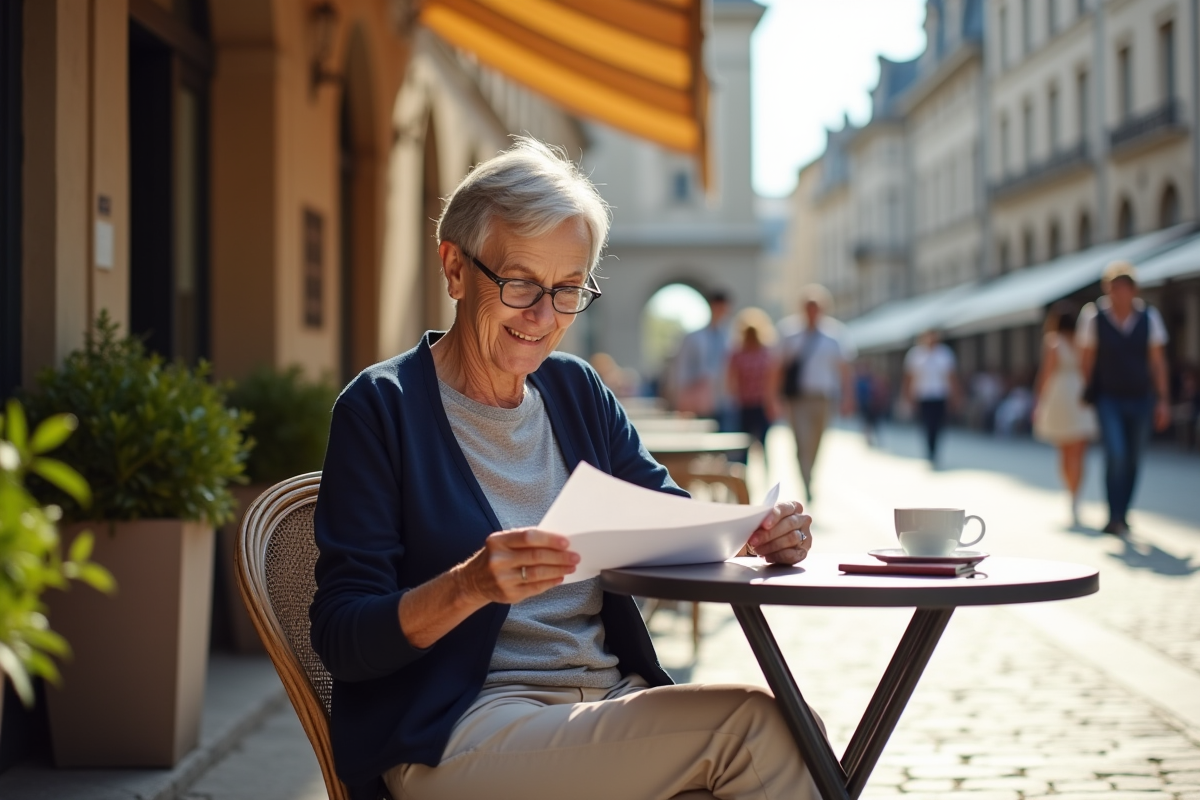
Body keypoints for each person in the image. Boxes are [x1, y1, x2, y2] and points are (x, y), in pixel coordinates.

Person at [309, 138, 817, 800]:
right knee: (754, 728)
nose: (543, 318)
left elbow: (671, 520)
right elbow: (342, 637)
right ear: (455, 270)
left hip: (603, 705)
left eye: (568, 289)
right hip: (453, 732)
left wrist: (749, 533)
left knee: (789, 728)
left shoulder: (577, 392)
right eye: (520, 284)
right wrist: (467, 587)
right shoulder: (383, 409)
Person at [1077, 261, 1171, 535]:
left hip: (1142, 397)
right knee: (1115, 453)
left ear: (1133, 290)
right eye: (1113, 289)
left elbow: (1157, 362)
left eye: (1124, 288)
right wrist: (1088, 390)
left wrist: (1163, 400)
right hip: (1109, 397)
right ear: (1108, 291)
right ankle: (1113, 513)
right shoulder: (1094, 317)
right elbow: (1087, 359)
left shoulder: (1149, 318)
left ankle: (1124, 512)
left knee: (1133, 458)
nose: (1119, 294)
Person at [775, 285, 856, 502]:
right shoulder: (789, 333)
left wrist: (849, 397)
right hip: (798, 398)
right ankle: (806, 480)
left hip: (824, 397)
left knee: (816, 441)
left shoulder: (835, 334)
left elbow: (844, 369)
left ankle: (810, 473)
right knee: (801, 441)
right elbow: (778, 368)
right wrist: (774, 398)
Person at [1032, 304, 1098, 526]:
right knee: (1079, 451)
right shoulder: (1082, 341)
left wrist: (1038, 401)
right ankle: (1076, 495)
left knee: (1064, 450)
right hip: (1080, 394)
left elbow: (1046, 373)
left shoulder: (1053, 342)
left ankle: (1070, 493)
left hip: (1060, 395)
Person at [673, 290, 734, 429]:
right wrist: (682, 397)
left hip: (723, 397)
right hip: (699, 397)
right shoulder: (693, 337)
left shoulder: (729, 336)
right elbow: (682, 368)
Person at [727, 307, 779, 461]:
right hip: (756, 403)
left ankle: (749, 474)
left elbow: (731, 381)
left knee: (748, 443)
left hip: (748, 403)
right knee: (757, 443)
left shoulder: (739, 354)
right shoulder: (764, 354)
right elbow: (772, 381)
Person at [903, 329, 959, 467]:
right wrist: (907, 396)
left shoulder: (945, 353)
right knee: (927, 424)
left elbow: (951, 377)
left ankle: (935, 451)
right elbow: (909, 377)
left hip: (940, 395)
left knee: (938, 424)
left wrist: (955, 396)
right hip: (923, 395)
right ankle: (929, 451)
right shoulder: (915, 355)